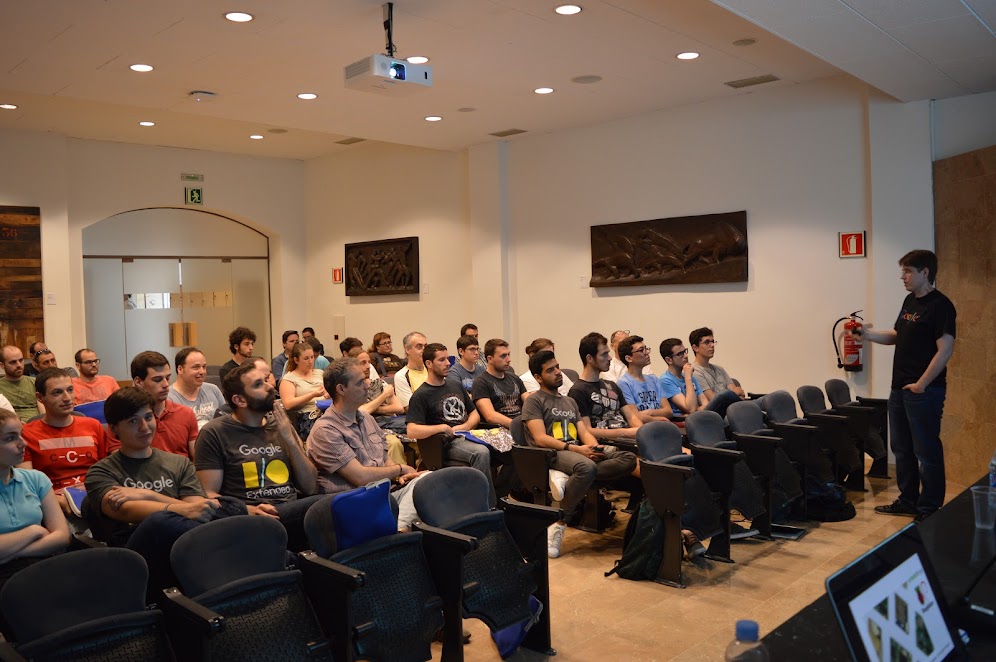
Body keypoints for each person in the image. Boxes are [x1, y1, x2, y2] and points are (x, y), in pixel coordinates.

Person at [84, 388, 245, 596]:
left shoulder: (178, 463)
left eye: (148, 417)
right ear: (114, 429)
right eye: (133, 421)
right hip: (137, 552)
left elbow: (198, 509)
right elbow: (123, 509)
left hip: (185, 541)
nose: (144, 427)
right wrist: (181, 510)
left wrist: (149, 494)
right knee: (161, 522)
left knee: (235, 506)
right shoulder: (101, 471)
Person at [857, 250, 956, 521]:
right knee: (901, 448)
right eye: (903, 271)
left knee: (926, 451)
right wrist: (868, 335)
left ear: (925, 272)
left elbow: (945, 349)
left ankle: (929, 508)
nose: (903, 277)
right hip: (899, 388)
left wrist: (922, 384)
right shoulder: (910, 301)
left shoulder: (941, 306)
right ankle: (908, 501)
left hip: (924, 391)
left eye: (908, 271)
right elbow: (897, 335)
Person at [521, 350, 636, 558]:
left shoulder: (569, 402)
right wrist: (577, 450)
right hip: (552, 453)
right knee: (586, 467)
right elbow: (540, 438)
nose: (558, 372)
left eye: (557, 367)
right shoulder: (534, 401)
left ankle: (572, 480)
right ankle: (560, 522)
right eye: (550, 370)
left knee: (627, 458)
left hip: (576, 452)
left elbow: (583, 432)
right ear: (538, 377)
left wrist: (594, 449)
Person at [195, 363, 321, 551]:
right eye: (258, 385)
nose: (270, 386)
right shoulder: (214, 433)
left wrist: (290, 441)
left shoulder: (281, 423)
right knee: (327, 505)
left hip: (290, 510)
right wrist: (247, 510)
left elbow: (310, 486)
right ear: (240, 400)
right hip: (252, 517)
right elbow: (209, 495)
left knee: (331, 505)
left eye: (265, 380)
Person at [308, 358, 425, 531]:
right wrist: (400, 469)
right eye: (360, 382)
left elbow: (384, 458)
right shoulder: (325, 430)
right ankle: (399, 530)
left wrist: (399, 476)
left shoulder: (367, 418)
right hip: (354, 503)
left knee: (429, 480)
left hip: (382, 493)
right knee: (421, 491)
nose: (367, 386)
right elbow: (360, 477)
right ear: (341, 389)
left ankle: (401, 528)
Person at [405, 343, 495, 506]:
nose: (448, 363)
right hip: (446, 444)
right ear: (429, 364)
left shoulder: (455, 384)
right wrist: (442, 428)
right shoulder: (421, 395)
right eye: (442, 360)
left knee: (510, 448)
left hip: (467, 435)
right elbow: (412, 430)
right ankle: (486, 507)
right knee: (481, 453)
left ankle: (505, 495)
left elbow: (474, 413)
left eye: (448, 359)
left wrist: (466, 426)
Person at [0, 408, 70, 603]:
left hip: (41, 565)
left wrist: (12, 553)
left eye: (21, 435)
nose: (23, 443)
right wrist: (33, 531)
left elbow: (62, 536)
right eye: (10, 438)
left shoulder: (36, 479)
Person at [20, 368, 109, 515]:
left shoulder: (93, 426)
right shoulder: (26, 434)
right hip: (52, 502)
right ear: (40, 397)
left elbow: (106, 471)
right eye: (57, 393)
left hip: (95, 496)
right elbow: (26, 484)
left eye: (70, 390)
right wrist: (54, 501)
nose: (67, 398)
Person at [568, 332, 643, 443]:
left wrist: (642, 432)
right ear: (589, 358)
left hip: (629, 440)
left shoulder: (612, 385)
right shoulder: (578, 391)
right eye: (604, 354)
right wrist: (625, 433)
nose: (610, 358)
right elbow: (586, 430)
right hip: (608, 444)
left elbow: (631, 417)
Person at [129, 351, 199, 458]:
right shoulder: (125, 419)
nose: (166, 384)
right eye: (157, 380)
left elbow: (197, 460)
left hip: (182, 468)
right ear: (138, 382)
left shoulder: (186, 414)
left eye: (167, 378)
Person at [616, 335, 673, 423]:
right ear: (629, 358)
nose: (646, 353)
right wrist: (658, 419)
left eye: (646, 349)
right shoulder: (623, 383)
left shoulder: (653, 379)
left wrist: (650, 412)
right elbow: (634, 416)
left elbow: (668, 411)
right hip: (644, 428)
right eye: (641, 350)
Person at [278, 340, 328, 440]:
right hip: (307, 416)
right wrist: (312, 394)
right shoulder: (289, 378)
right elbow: (288, 404)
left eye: (312, 357)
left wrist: (329, 393)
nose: (310, 361)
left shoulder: (320, 373)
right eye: (306, 358)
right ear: (296, 360)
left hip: (327, 411)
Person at [168, 347, 226, 429]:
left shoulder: (213, 390)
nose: (202, 372)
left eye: (204, 367)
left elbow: (226, 420)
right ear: (180, 369)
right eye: (196, 367)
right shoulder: (169, 398)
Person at [689, 327, 746, 403]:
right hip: (721, 410)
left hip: (735, 406)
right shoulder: (694, 372)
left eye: (713, 342)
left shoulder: (719, 369)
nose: (712, 345)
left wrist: (733, 394)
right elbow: (714, 401)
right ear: (695, 348)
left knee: (762, 401)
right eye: (707, 342)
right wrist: (734, 393)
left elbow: (741, 394)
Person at [0, 346, 40, 423]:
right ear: (2, 365)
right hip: (10, 424)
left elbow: (45, 409)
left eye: (21, 360)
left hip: (37, 423)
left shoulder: (36, 382)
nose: (19, 365)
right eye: (13, 362)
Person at [393, 331, 428, 409]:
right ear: (407, 350)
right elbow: (409, 407)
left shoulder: (433, 369)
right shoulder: (401, 376)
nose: (424, 350)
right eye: (419, 346)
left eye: (425, 346)